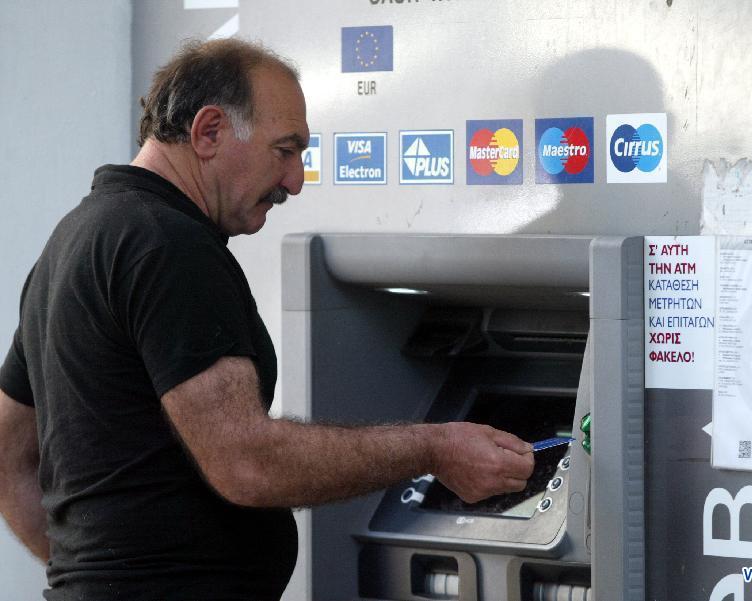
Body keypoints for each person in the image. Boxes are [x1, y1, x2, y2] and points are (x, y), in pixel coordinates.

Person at [0, 38, 535, 600]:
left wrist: (95, 575)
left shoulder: (77, 238)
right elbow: (247, 463)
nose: (295, 181)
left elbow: (9, 452)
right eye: (285, 150)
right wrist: (435, 447)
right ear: (209, 132)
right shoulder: (169, 246)